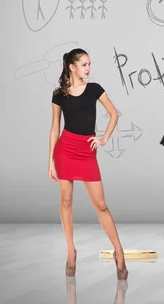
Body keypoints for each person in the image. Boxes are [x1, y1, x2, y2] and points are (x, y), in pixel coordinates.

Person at [49, 48, 128, 280]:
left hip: (86, 151)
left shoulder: (94, 89)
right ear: (72, 67)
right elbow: (54, 128)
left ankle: (119, 251)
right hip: (65, 150)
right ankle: (71, 251)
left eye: (89, 64)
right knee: (66, 200)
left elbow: (114, 113)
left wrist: (102, 139)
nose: (88, 68)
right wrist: (50, 161)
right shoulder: (58, 95)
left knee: (101, 205)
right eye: (84, 64)